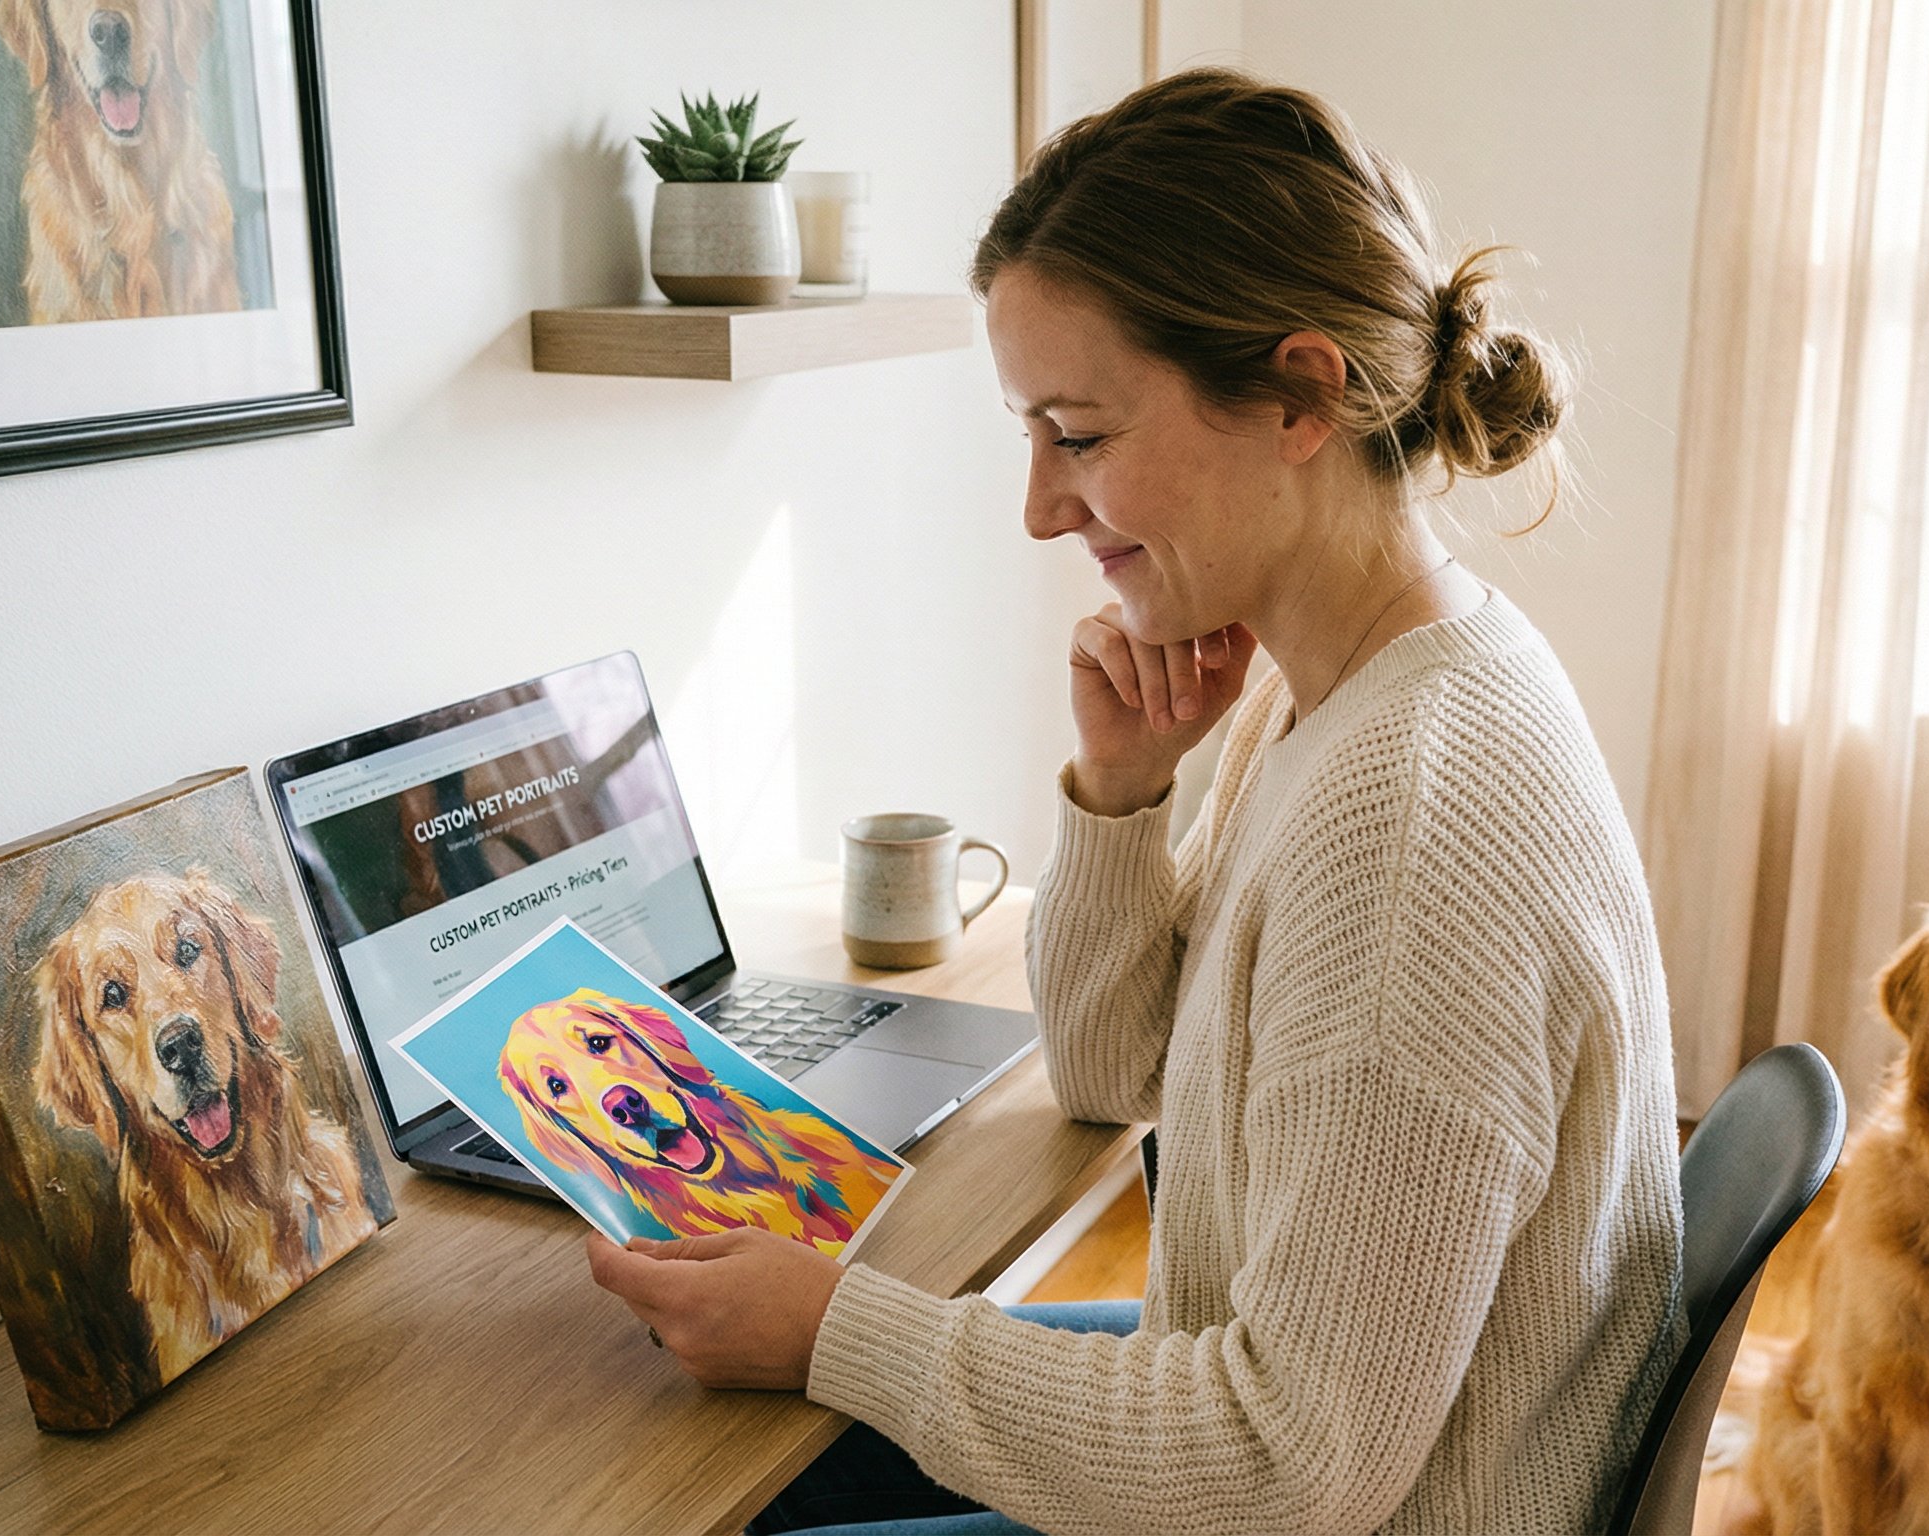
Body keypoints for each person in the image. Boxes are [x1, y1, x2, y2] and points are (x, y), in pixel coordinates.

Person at [587, 68, 1684, 1536]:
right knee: (724, 1448)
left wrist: (841, 1331)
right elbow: (1116, 1078)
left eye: (1080, 434)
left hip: (1339, 1494)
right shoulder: (1328, 678)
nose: (1040, 506)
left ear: (1299, 395)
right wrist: (1121, 795)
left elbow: (1294, 1466)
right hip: (1321, 1437)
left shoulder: (1410, 818)